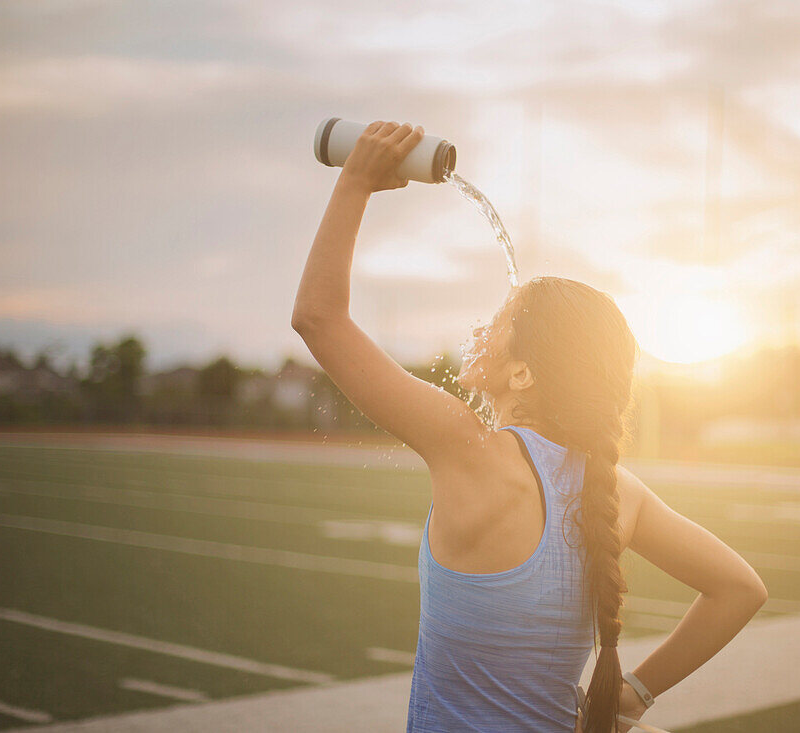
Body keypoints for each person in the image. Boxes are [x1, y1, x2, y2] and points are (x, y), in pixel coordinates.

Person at [292, 120, 768, 733]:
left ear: (522, 375)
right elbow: (741, 588)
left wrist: (354, 182)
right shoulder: (616, 490)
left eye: (499, 319)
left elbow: (318, 319)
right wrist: (632, 696)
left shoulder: (467, 445)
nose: (480, 330)